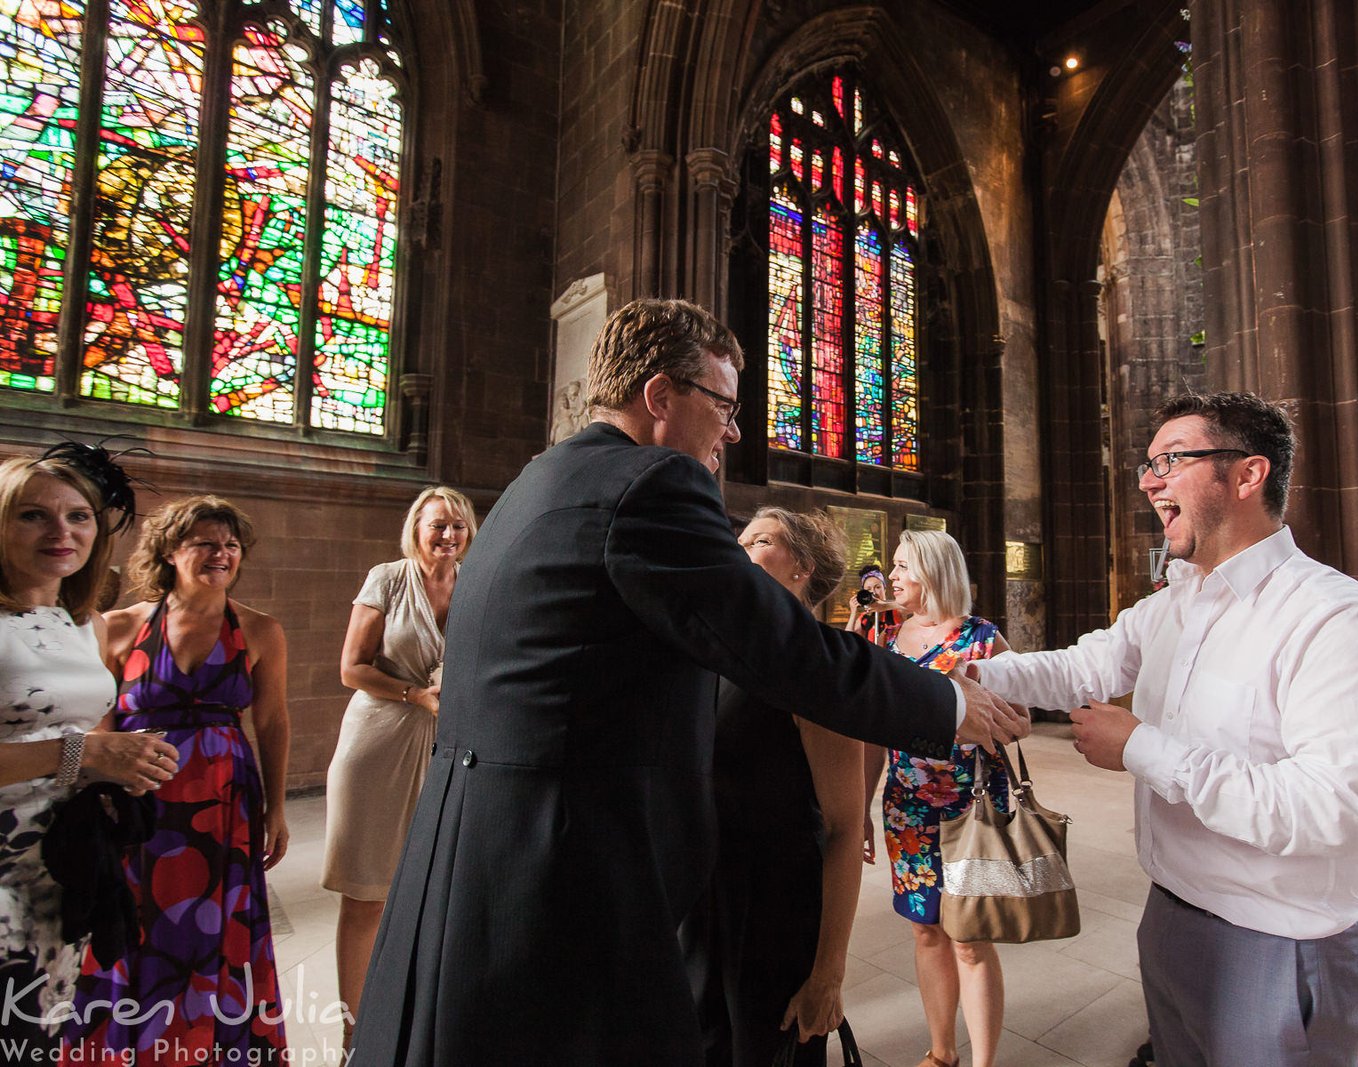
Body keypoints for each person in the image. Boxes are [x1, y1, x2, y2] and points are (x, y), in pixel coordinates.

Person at [351, 298, 1029, 1065]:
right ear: (660, 397)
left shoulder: (542, 479)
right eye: (725, 406)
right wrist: (944, 700)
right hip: (558, 867)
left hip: (476, 850)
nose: (733, 432)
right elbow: (785, 646)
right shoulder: (651, 485)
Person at [970, 392, 1358, 1067]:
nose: (1150, 480)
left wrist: (1141, 747)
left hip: (1275, 941)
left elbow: (1331, 810)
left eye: (1173, 459)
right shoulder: (1178, 600)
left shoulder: (1338, 621)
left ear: (1247, 475)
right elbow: (1083, 665)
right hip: (1172, 916)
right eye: (1149, 464)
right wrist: (969, 678)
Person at [70, 496, 291, 1062]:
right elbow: (102, 724)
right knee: (136, 919)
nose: (222, 555)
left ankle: (208, 1047)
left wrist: (278, 809)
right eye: (207, 543)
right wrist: (101, 795)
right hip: (141, 802)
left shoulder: (261, 631)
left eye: (231, 546)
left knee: (215, 926)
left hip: (225, 801)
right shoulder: (120, 628)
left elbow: (271, 721)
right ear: (170, 550)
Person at [0, 447, 178, 1054]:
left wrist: (120, 769)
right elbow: (73, 745)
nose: (61, 532)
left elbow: (79, 736)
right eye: (32, 516)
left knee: (40, 1030)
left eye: (79, 516)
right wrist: (86, 755)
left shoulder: (85, 623)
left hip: (58, 865)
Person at [680, 506, 865, 1067]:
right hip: (704, 896)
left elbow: (844, 829)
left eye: (758, 540)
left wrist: (828, 975)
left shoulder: (815, 666)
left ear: (800, 567)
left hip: (776, 908)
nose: (739, 549)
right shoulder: (718, 654)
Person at [323, 485, 477, 1031]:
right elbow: (351, 668)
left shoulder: (474, 583)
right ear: (416, 528)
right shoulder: (387, 578)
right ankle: (352, 1029)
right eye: (438, 524)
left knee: (434, 889)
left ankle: (406, 1022)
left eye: (458, 525)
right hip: (380, 741)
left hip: (446, 745)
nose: (448, 535)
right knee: (367, 892)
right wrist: (417, 695)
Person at [863, 529, 1011, 1067]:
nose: (893, 577)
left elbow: (1016, 722)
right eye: (894, 567)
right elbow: (873, 736)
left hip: (973, 806)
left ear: (934, 571)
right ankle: (942, 1051)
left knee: (970, 937)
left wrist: (981, 725)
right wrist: (859, 807)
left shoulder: (981, 639)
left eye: (904, 566)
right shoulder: (886, 644)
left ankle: (983, 1062)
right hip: (907, 808)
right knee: (926, 929)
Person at [846, 562, 900, 645]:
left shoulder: (897, 610)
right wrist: (853, 613)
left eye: (878, 587)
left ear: (884, 589)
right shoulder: (864, 618)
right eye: (868, 589)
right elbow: (847, 641)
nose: (873, 592)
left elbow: (916, 605)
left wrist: (886, 606)